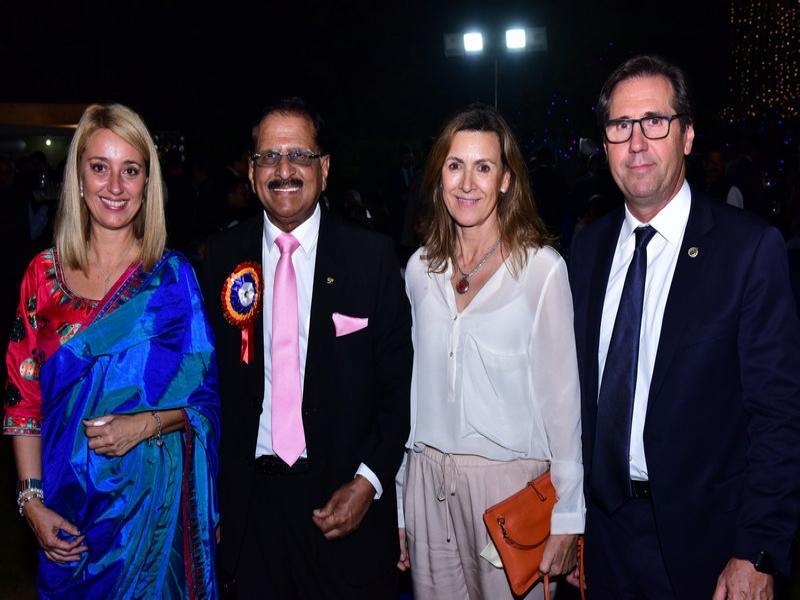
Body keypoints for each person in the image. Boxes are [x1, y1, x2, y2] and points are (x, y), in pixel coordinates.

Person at [569, 55, 800, 599]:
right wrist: (571, 523)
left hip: (709, 547)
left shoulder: (748, 250)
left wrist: (757, 550)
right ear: (604, 144)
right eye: (620, 126)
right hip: (603, 537)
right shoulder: (586, 249)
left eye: (655, 121)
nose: (636, 143)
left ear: (688, 135)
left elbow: (779, 414)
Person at [3, 104, 221, 598]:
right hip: (66, 513)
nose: (116, 186)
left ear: (147, 183)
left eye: (131, 170)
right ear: (78, 178)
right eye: (100, 167)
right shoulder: (42, 277)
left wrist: (143, 425)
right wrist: (31, 502)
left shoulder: (171, 280)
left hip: (151, 519)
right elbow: (22, 401)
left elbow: (204, 399)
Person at [200, 97, 412, 599]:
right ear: (251, 172)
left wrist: (369, 481)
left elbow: (400, 389)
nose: (284, 170)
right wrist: (217, 502)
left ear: (325, 168)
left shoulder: (372, 257)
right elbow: (210, 391)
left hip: (347, 505)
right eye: (268, 157)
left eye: (299, 155)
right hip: (252, 511)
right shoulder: (220, 259)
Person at [398, 105, 585, 599]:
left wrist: (569, 516)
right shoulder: (419, 270)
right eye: (455, 165)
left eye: (483, 167)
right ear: (439, 175)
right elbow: (410, 393)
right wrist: (400, 500)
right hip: (426, 482)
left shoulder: (541, 270)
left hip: (510, 493)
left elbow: (563, 405)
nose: (467, 183)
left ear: (505, 180)